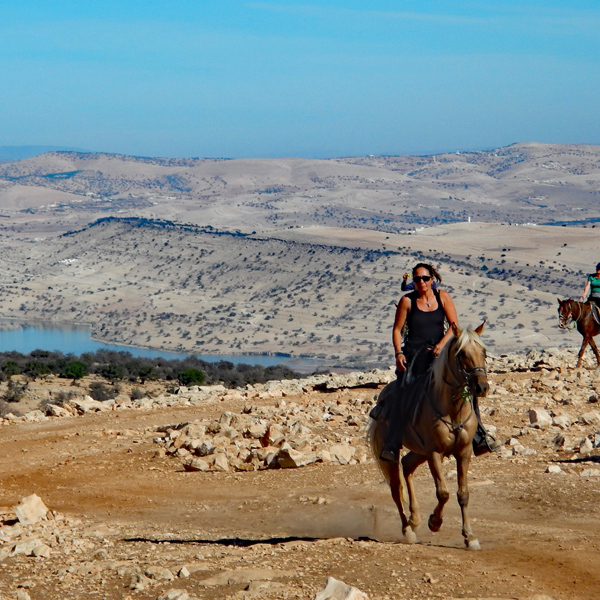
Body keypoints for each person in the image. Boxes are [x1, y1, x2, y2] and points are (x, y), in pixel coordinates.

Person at [379, 262, 498, 462]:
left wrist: (442, 345)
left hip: (439, 354)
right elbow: (397, 330)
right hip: (413, 356)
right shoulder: (407, 301)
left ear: (431, 279)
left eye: (425, 278)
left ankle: (478, 435)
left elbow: (453, 326)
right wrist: (399, 353)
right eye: (417, 279)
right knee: (403, 390)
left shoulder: (442, 296)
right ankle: (392, 444)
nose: (421, 282)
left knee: (466, 386)